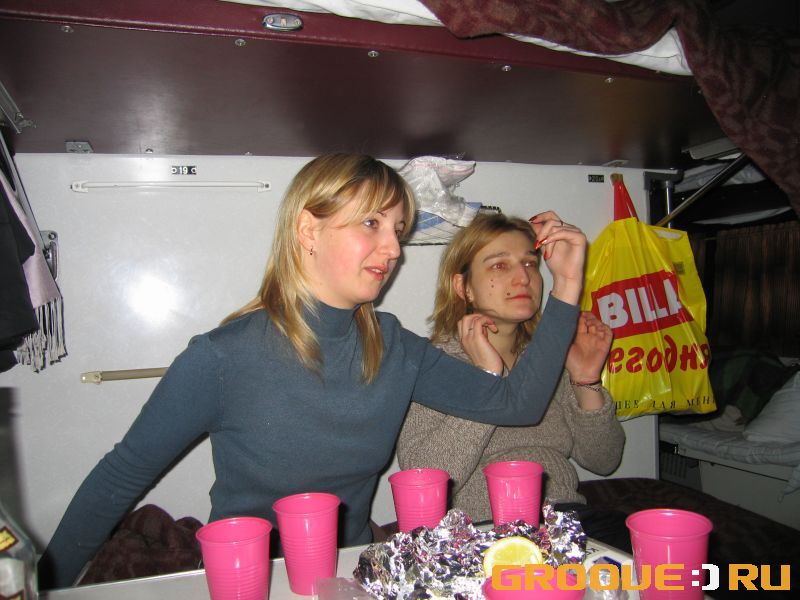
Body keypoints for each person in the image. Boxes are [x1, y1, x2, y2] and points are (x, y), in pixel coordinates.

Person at [39, 154, 587, 588]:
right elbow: (118, 478)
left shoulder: (393, 345)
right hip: (254, 581)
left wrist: (565, 286)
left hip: (352, 576)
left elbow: (519, 405)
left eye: (397, 229)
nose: (393, 249)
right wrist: (44, 588)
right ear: (308, 230)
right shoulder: (222, 357)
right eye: (371, 223)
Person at [397, 212, 626, 543]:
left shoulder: (547, 357)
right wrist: (486, 379)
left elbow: (604, 460)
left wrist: (585, 379)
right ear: (464, 287)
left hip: (568, 520)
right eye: (500, 265)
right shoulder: (434, 364)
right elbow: (424, 475)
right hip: (484, 530)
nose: (523, 277)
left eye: (530, 264)